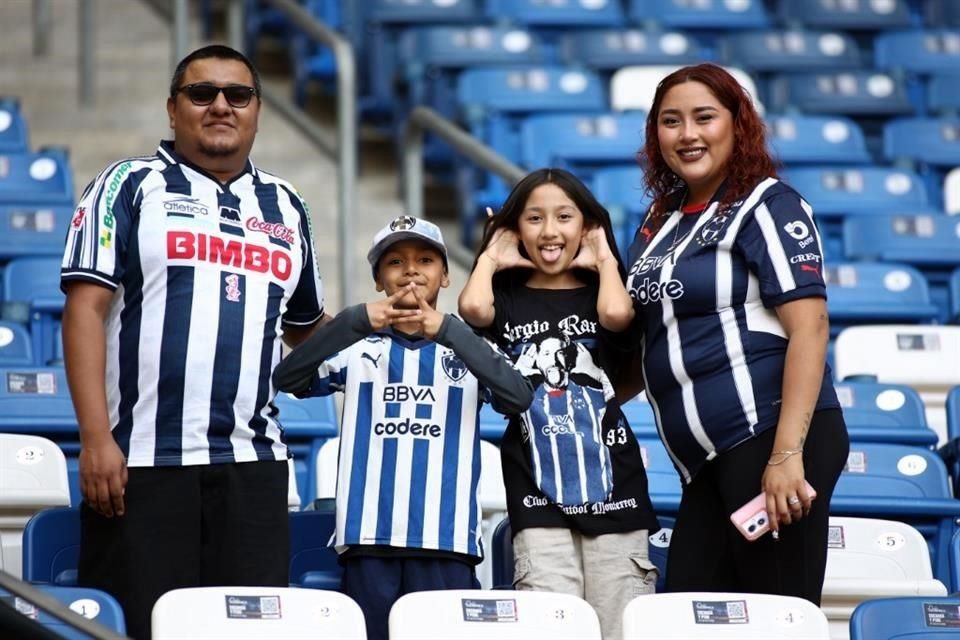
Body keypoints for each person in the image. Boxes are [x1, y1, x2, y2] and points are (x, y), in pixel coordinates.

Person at [60, 45, 326, 639]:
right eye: (201, 93)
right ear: (173, 109)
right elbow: (84, 310)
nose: (221, 106)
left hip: (254, 469)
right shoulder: (126, 184)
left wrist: (381, 326)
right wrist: (96, 439)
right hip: (142, 463)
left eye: (239, 95)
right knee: (138, 628)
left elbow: (305, 330)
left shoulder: (287, 206)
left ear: (257, 110)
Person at [622, 63, 849, 603]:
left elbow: (811, 326)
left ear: (737, 123)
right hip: (705, 463)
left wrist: (785, 454)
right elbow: (652, 339)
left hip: (769, 438)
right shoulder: (659, 219)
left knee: (776, 614)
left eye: (705, 117)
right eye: (670, 122)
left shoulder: (768, 203)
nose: (688, 134)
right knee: (692, 611)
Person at [272, 215, 534, 640]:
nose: (411, 269)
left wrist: (449, 330)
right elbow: (289, 378)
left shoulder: (470, 348)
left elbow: (518, 398)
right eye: (395, 261)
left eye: (426, 259)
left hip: (447, 542)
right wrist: (356, 319)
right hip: (368, 540)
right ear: (378, 280)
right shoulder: (357, 348)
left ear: (445, 276)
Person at [458, 168, 660, 640]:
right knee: (549, 624)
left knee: (621, 624)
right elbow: (471, 310)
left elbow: (616, 316)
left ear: (586, 226)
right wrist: (489, 257)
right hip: (537, 490)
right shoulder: (505, 298)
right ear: (515, 228)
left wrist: (606, 260)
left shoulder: (604, 293)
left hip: (616, 491)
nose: (550, 231)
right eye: (533, 218)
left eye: (565, 217)